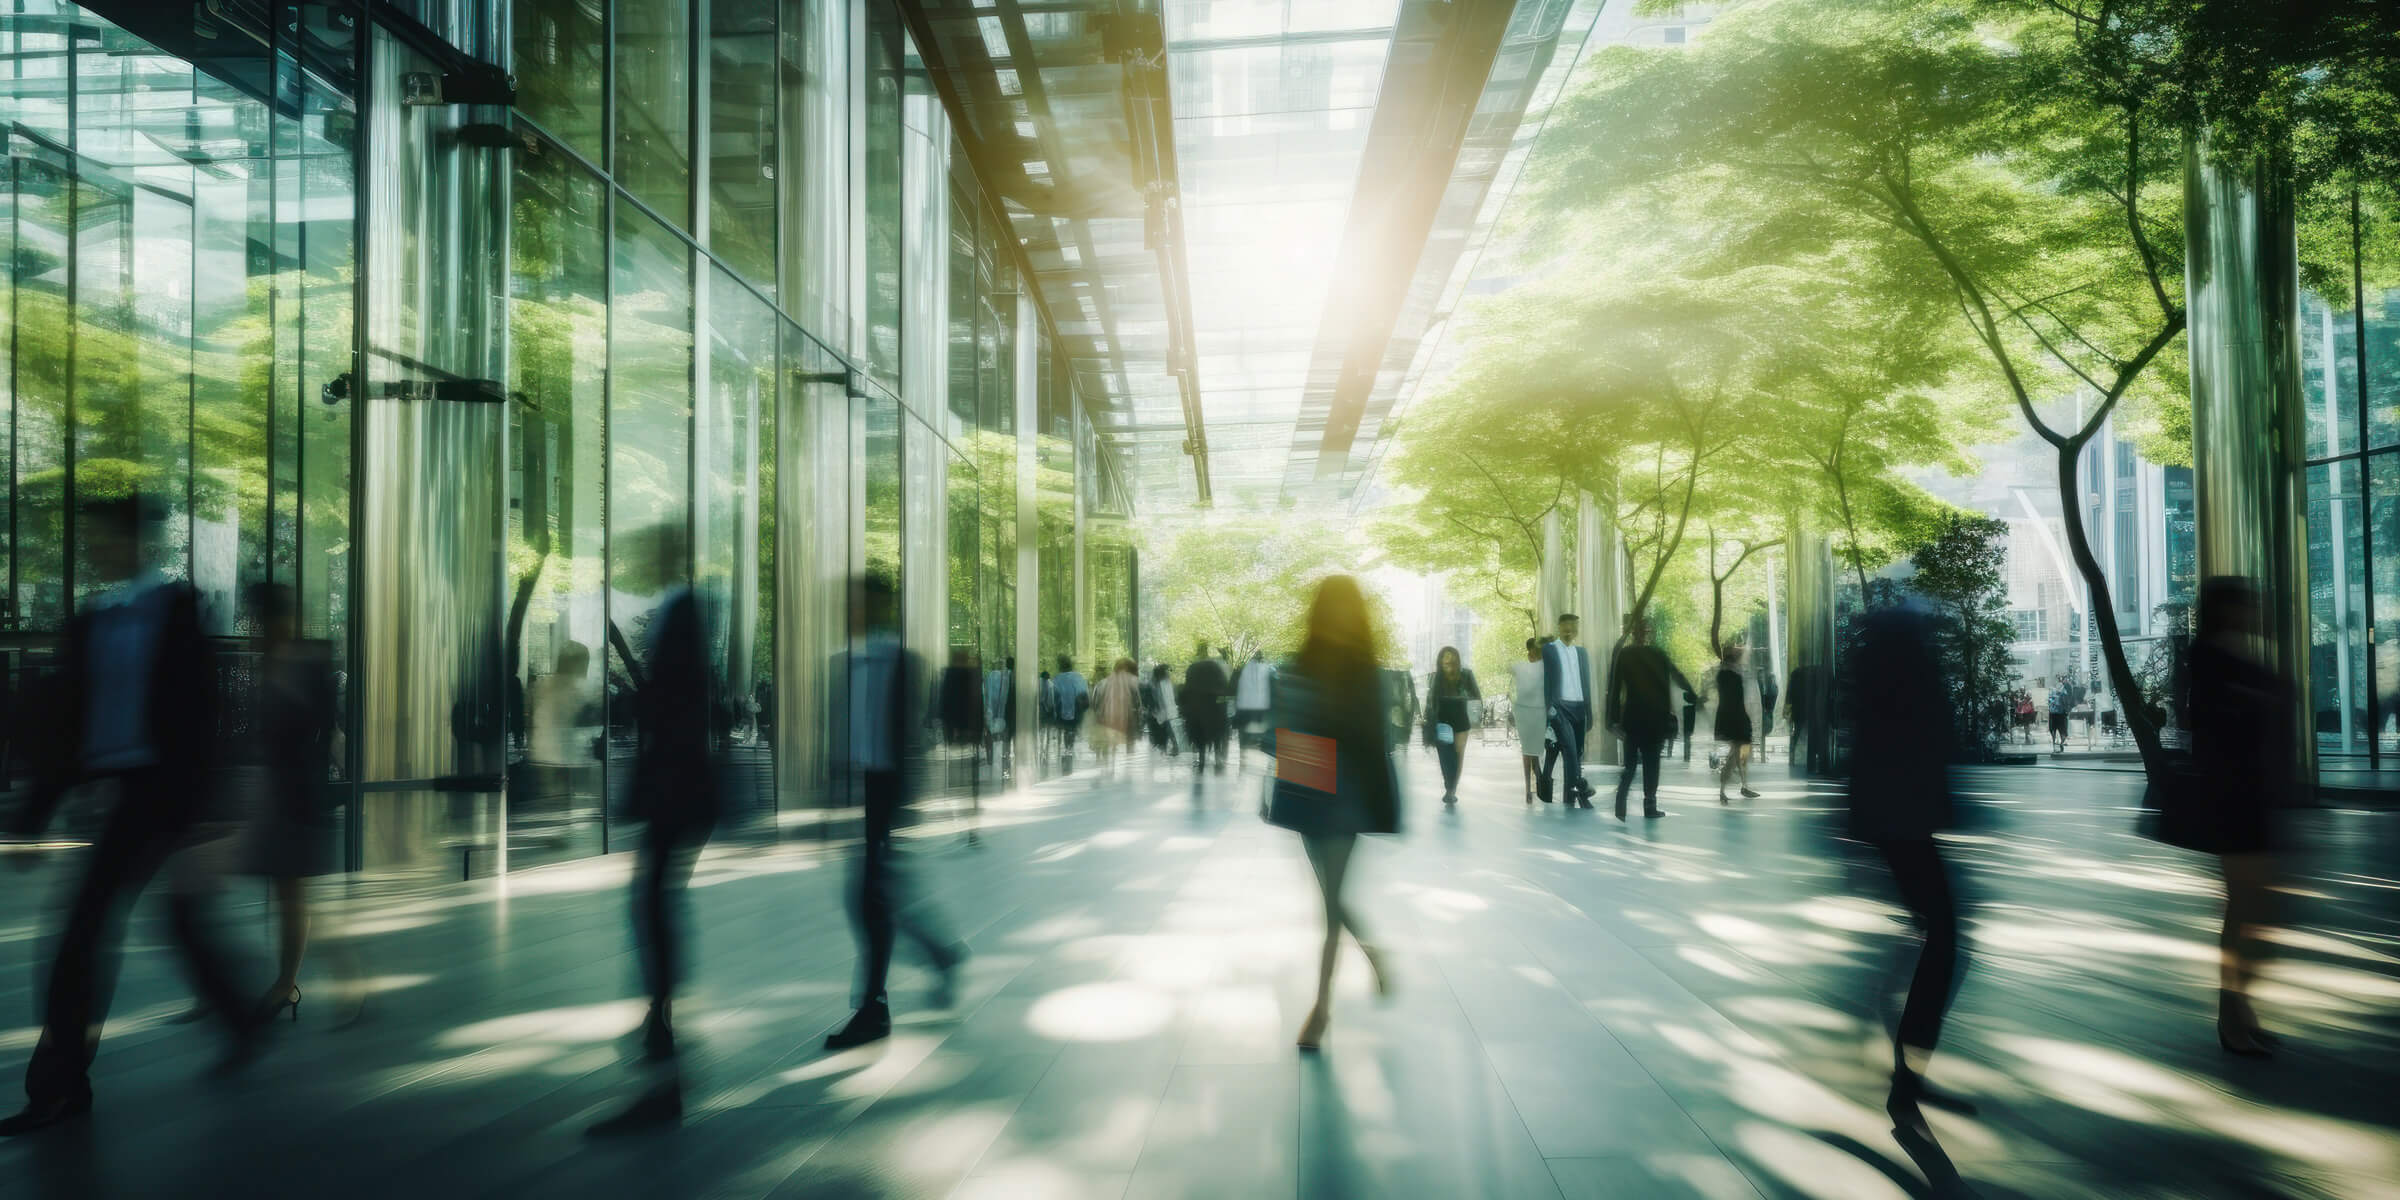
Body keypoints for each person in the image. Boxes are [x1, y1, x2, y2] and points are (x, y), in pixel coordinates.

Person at [2, 495, 260, 1136]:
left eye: (103, 537)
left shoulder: (177, 609)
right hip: (114, 791)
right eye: (90, 537)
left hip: (160, 793)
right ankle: (240, 1016)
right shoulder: (93, 617)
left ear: (138, 542)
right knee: (174, 920)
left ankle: (58, 1089)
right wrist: (34, 816)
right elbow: (65, 724)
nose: (94, 548)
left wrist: (208, 807)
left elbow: (200, 714)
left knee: (82, 934)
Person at [586, 531, 722, 1136]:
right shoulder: (681, 611)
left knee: (652, 906)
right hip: (677, 784)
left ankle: (663, 1046)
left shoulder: (684, 611)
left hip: (678, 784)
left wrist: (640, 692)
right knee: (654, 904)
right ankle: (659, 1028)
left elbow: (678, 702)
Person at [1846, 601, 1976, 1142]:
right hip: (1905, 818)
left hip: (1887, 817)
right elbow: (1936, 739)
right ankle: (1908, 1074)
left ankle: (1907, 1062)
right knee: (1944, 936)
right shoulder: (1911, 670)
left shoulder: (1872, 668)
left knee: (1933, 930)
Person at [826, 574, 968, 1051]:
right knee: (875, 897)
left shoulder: (906, 662)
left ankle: (874, 1006)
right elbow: (844, 731)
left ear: (886, 607)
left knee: (870, 899)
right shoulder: (844, 663)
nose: (855, 611)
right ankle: (939, 957)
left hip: (887, 792)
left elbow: (914, 736)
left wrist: (906, 801)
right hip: (860, 788)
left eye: (864, 602)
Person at [1261, 577, 1396, 1051]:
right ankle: (1372, 953)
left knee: (1330, 904)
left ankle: (1320, 1010)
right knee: (1330, 897)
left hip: (1345, 796)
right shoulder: (1303, 664)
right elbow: (1280, 728)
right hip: (1308, 789)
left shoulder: (1363, 672)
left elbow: (1376, 742)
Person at [2179, 577, 2295, 1058]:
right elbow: (2208, 723)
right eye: (2247, 604)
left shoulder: (2232, 656)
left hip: (2251, 797)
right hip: (2234, 799)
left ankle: (2241, 1012)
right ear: (2226, 610)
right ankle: (2232, 1017)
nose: (2255, 611)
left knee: (2252, 910)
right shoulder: (2210, 659)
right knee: (2248, 910)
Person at [238, 583, 343, 1025]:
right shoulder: (271, 663)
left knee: (291, 891)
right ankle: (301, 978)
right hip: (277, 792)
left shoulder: (308, 662)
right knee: (288, 892)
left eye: (261, 620)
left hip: (300, 795)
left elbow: (328, 731)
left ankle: (290, 983)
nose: (255, 629)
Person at [1607, 618, 1690, 821]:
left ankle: (1622, 801)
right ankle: (1648, 806)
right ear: (1647, 632)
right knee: (1651, 764)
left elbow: (1615, 687)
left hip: (1635, 718)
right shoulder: (1655, 654)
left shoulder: (1625, 654)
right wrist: (1693, 694)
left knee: (1631, 764)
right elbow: (1676, 674)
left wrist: (1613, 719)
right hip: (1653, 717)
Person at [1537, 614, 1595, 807]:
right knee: (1570, 750)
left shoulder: (1581, 652)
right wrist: (1548, 709)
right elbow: (1544, 680)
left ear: (1577, 628)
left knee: (1577, 752)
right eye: (1565, 625)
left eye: (1573, 625)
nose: (1569, 628)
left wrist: (1589, 712)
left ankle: (1570, 797)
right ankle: (1582, 788)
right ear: (1559, 628)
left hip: (1579, 707)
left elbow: (1586, 684)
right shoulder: (1550, 650)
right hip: (1560, 707)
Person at [1424, 647, 1480, 805]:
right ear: (1440, 660)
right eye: (1444, 656)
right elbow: (1430, 700)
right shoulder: (1435, 677)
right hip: (1442, 719)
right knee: (1444, 754)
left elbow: (1475, 696)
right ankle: (1448, 785)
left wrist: (1476, 720)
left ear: (1456, 659)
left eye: (1450, 656)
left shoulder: (1466, 674)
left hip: (1461, 718)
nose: (1447, 659)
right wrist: (1428, 719)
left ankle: (1451, 789)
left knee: (1458, 754)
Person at [1712, 643, 1761, 803]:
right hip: (1736, 719)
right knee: (1737, 755)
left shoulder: (1724, 675)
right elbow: (1736, 700)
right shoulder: (1732, 676)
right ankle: (1727, 790)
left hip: (1731, 718)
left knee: (1738, 754)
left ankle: (1740, 787)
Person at [1181, 642, 1231, 776]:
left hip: (1197, 711)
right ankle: (1217, 761)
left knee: (1200, 738)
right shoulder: (1215, 668)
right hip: (1215, 711)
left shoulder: (1193, 668)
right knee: (1216, 737)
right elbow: (1224, 691)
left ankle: (1201, 761)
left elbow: (1186, 691)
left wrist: (1185, 708)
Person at [1091, 658, 1142, 779]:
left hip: (1105, 719)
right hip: (1125, 720)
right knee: (1127, 745)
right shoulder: (1132, 682)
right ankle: (1127, 773)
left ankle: (1107, 767)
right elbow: (1138, 704)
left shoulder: (1102, 683)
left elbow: (1095, 703)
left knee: (1108, 744)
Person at [1509, 639, 1546, 804]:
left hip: (1537, 712)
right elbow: (1513, 690)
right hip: (1527, 712)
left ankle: (1535, 783)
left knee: (1532, 752)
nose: (1532, 655)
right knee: (1529, 751)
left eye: (1535, 652)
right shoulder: (1526, 669)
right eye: (1531, 652)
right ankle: (1531, 786)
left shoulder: (1544, 668)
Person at [1233, 649, 1275, 771]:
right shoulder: (1268, 670)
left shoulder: (1241, 669)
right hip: (1261, 710)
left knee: (1243, 737)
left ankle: (1243, 762)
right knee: (1261, 737)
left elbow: (1233, 687)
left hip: (1244, 709)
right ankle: (1266, 765)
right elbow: (1273, 692)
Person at [1050, 656, 1090, 773]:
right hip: (1075, 711)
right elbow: (1083, 693)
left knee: (1065, 730)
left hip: (1061, 711)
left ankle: (1066, 750)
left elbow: (1053, 695)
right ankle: (1069, 749)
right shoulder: (1078, 677)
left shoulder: (1056, 679)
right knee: (1070, 731)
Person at [983, 656, 1015, 774]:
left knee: (990, 732)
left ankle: (990, 758)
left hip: (994, 711)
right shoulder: (1006, 676)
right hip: (1005, 712)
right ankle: (1006, 758)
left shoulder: (991, 676)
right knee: (1006, 736)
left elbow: (987, 696)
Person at [1144, 662, 1181, 760]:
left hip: (1161, 709)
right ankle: (1170, 747)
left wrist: (1156, 708)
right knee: (1166, 727)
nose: (1167, 673)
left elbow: (1159, 697)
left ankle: (1171, 747)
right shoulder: (1164, 681)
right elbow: (1170, 695)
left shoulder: (1158, 683)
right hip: (1165, 709)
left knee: (1165, 727)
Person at [2047, 682, 2074, 751]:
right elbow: (2066, 704)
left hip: (2054, 714)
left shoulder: (2053, 694)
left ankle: (2056, 744)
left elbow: (2049, 703)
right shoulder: (2063, 694)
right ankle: (2060, 744)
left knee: (2055, 730)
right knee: (2062, 730)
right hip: (2060, 715)